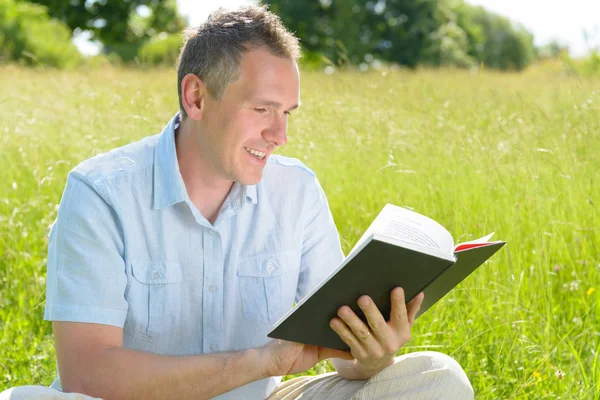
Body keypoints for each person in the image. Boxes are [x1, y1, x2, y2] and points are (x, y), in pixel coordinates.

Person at [0, 5, 474, 400]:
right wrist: (261, 362)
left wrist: (371, 356)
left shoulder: (298, 193)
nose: (280, 135)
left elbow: (336, 358)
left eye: (286, 113)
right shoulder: (101, 192)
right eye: (262, 109)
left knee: (437, 379)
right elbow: (88, 373)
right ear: (196, 96)